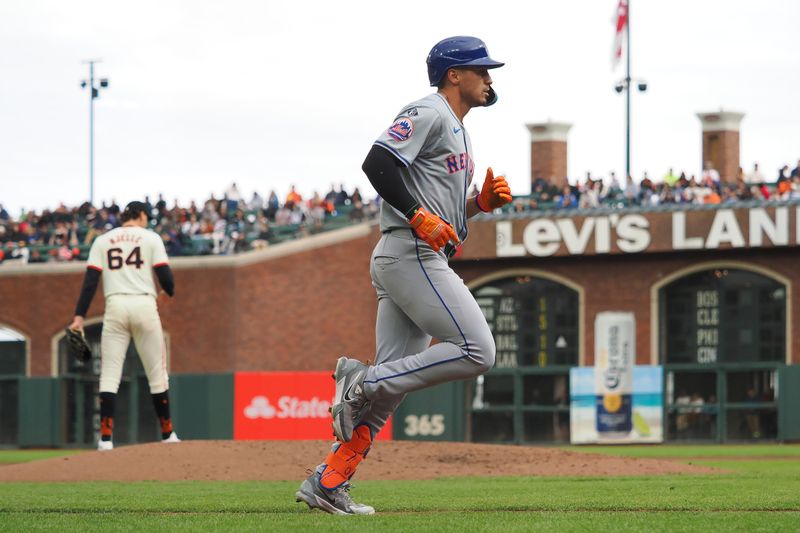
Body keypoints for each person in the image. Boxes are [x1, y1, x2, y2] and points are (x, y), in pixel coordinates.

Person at [295, 36, 510, 516]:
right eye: (481, 69)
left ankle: (327, 482)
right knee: (480, 351)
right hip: (412, 253)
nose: (489, 77)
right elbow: (376, 163)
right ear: (454, 74)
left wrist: (479, 205)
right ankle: (361, 382)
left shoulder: (458, 127)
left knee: (392, 391)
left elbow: (442, 210)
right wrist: (416, 215)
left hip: (411, 254)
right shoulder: (429, 110)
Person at [67, 201, 179, 451]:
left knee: (109, 374)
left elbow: (90, 283)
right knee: (157, 373)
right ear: (140, 215)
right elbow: (167, 280)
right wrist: (167, 290)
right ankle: (168, 434)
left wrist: (79, 316)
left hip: (115, 306)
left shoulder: (102, 240)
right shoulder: (150, 238)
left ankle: (105, 439)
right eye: (145, 217)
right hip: (143, 305)